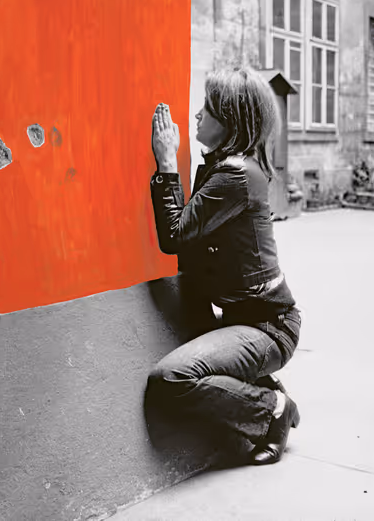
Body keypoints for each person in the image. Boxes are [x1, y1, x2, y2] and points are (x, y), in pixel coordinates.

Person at [147, 67, 302, 466]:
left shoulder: (235, 174)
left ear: (230, 120)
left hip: (267, 328)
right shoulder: (227, 168)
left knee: (170, 379)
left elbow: (175, 235)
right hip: (244, 319)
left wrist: (166, 163)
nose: (198, 114)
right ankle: (267, 390)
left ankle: (271, 410)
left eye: (208, 108)